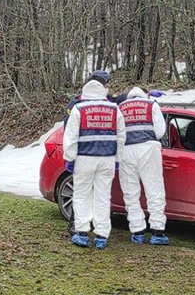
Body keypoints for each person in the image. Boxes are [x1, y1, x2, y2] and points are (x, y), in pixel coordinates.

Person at [63, 71, 126, 249]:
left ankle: (82, 232)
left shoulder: (79, 108)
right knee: (103, 197)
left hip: (84, 158)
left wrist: (70, 157)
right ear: (103, 90)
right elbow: (121, 136)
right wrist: (117, 159)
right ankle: (101, 235)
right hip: (106, 158)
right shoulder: (114, 109)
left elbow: (70, 136)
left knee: (82, 195)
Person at [118, 87, 169, 245]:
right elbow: (160, 132)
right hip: (148, 148)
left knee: (130, 192)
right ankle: (157, 232)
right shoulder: (151, 105)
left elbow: (117, 132)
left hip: (126, 150)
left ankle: (137, 231)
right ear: (146, 94)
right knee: (154, 189)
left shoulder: (120, 108)